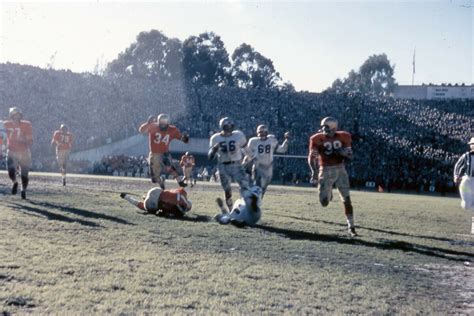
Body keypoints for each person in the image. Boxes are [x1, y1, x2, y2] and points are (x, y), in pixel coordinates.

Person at [308, 116, 357, 237]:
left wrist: (343, 153)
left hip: (340, 169)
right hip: (325, 170)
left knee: (347, 199)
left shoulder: (344, 136)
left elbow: (350, 157)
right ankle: (328, 191)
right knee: (324, 202)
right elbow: (311, 158)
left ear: (334, 128)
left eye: (326, 127)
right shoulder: (316, 138)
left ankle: (351, 226)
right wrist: (314, 172)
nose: (323, 129)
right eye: (323, 126)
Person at [138, 113, 189, 189]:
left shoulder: (172, 129)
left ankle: (180, 181)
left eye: (164, 124)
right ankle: (161, 181)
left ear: (167, 123)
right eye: (161, 124)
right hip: (154, 154)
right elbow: (141, 130)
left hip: (164, 152)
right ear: (158, 122)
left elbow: (181, 137)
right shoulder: (153, 126)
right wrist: (148, 123)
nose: (162, 126)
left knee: (169, 166)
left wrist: (184, 139)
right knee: (154, 179)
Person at [208, 117, 249, 211]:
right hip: (223, 165)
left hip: (237, 164)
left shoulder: (238, 135)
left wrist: (250, 158)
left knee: (244, 186)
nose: (229, 127)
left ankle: (246, 207)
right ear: (222, 126)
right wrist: (214, 149)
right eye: (227, 125)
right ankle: (231, 210)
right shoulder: (215, 138)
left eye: (231, 125)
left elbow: (246, 149)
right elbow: (210, 157)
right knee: (227, 190)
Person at [244, 124, 290, 197]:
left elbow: (282, 149)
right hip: (257, 166)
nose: (262, 134)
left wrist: (286, 140)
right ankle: (253, 201)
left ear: (267, 132)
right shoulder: (253, 141)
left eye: (263, 132)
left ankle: (258, 201)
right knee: (257, 186)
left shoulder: (271, 140)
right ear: (257, 133)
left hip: (268, 167)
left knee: (263, 188)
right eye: (260, 132)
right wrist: (245, 162)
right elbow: (248, 154)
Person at [4, 107, 33, 199]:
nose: (17, 118)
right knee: (10, 170)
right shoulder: (5, 124)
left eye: (18, 116)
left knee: (24, 173)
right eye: (15, 116)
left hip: (24, 151)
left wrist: (23, 140)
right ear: (11, 116)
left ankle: (23, 190)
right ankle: (15, 182)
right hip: (12, 150)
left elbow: (30, 141)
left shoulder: (26, 125)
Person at [120, 187, 192, 217]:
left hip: (155, 191)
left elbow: (170, 192)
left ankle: (127, 197)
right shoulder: (181, 212)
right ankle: (126, 197)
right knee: (143, 206)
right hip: (152, 203)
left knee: (163, 195)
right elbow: (166, 211)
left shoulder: (182, 193)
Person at [453, 137, 474, 213]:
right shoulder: (466, 155)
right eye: (472, 144)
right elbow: (457, 165)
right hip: (467, 181)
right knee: (466, 205)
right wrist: (456, 175)